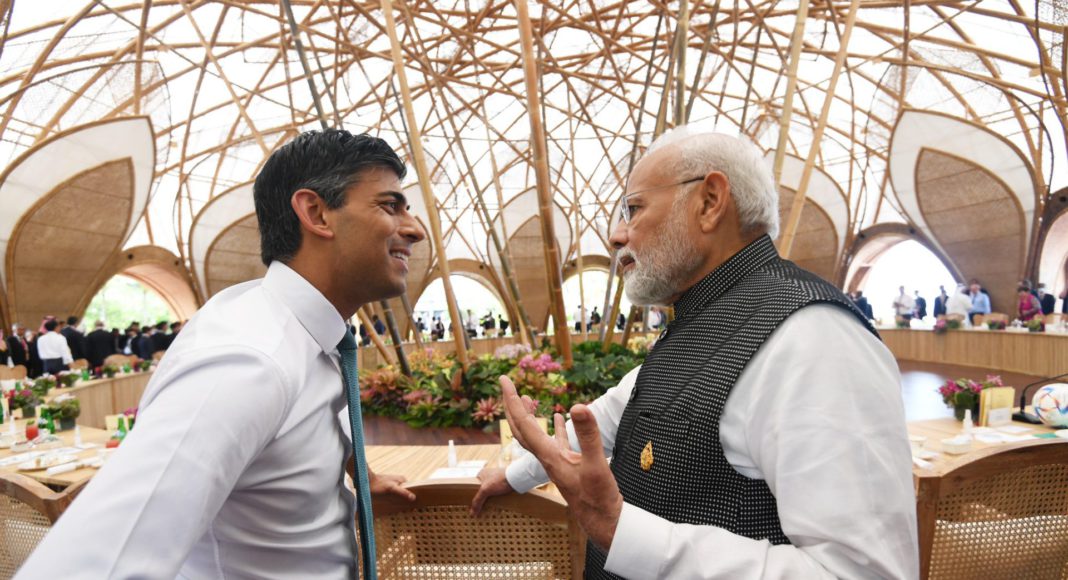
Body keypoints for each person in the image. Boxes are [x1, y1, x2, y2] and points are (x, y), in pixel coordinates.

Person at [471, 128, 916, 578]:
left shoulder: (815, 339)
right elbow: (615, 415)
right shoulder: (705, 318)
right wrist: (516, 474)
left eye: (634, 208)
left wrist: (619, 529)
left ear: (709, 202)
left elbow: (863, 572)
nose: (617, 235)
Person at [18, 129, 422, 578]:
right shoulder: (247, 362)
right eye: (390, 205)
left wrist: (356, 475)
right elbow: (91, 566)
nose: (415, 229)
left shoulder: (311, 340)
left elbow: (297, 425)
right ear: (316, 213)